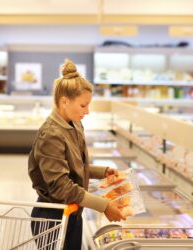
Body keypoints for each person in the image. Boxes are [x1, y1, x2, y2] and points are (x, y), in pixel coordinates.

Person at [28, 59, 125, 250]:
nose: (87, 112)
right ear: (64, 101)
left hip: (73, 211)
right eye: (83, 105)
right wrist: (103, 205)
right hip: (52, 217)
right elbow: (61, 187)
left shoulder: (75, 124)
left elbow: (76, 165)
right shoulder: (51, 135)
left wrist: (103, 171)